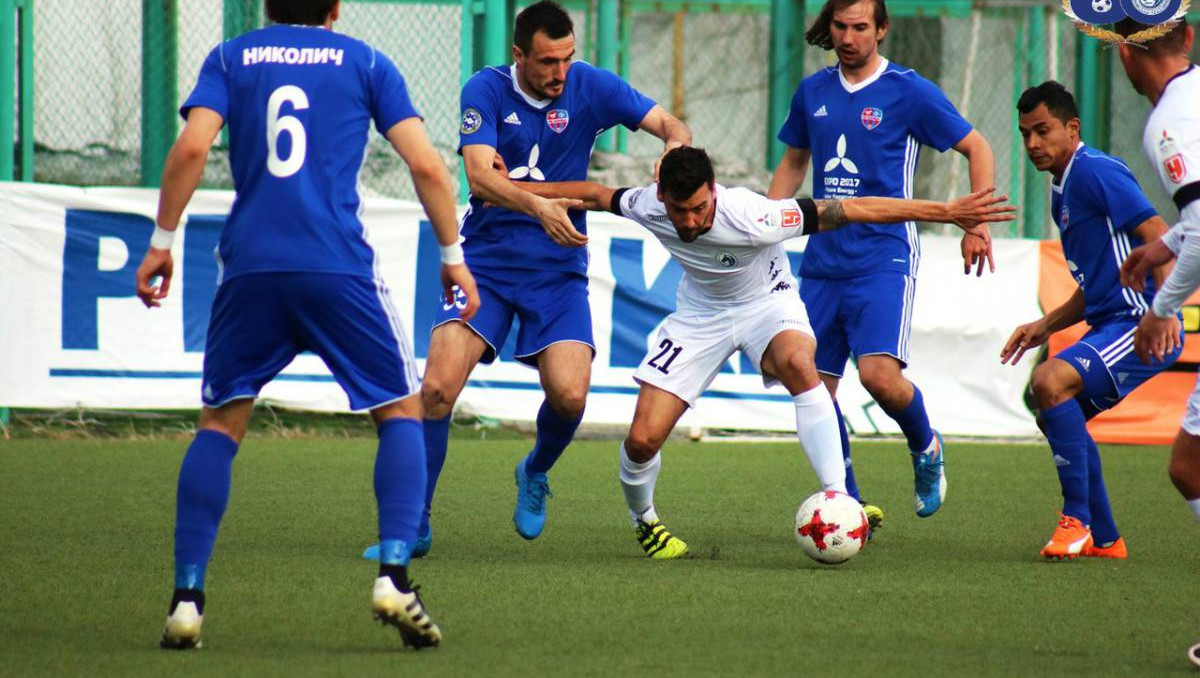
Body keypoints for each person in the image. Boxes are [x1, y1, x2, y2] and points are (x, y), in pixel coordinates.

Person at [136, 0, 478, 650]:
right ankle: (394, 576)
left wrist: (161, 240)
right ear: (336, 6)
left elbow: (190, 148)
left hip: (251, 267)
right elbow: (429, 166)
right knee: (400, 412)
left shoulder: (233, 57)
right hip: (336, 267)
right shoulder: (367, 61)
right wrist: (453, 257)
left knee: (220, 422)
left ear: (266, 4)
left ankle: (187, 599)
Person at [512, 146, 1013, 558]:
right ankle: (643, 521)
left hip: (767, 304)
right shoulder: (647, 203)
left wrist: (946, 213)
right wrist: (511, 193)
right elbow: (593, 193)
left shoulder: (755, 215)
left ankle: (839, 498)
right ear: (661, 196)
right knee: (642, 440)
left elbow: (855, 209)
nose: (689, 220)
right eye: (679, 209)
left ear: (714, 193)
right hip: (698, 317)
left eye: (700, 207)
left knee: (800, 363)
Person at [390, 0, 690, 556]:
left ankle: (534, 470)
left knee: (571, 397)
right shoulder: (484, 89)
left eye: (568, 59)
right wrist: (539, 206)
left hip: (557, 273)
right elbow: (480, 178)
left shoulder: (590, 86)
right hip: (486, 264)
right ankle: (414, 519)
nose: (560, 73)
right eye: (548, 62)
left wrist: (674, 142)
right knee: (434, 390)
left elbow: (671, 122)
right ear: (519, 55)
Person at [766, 0, 997, 528]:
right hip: (822, 261)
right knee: (814, 390)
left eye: (859, 27)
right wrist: (765, 226)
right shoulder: (813, 92)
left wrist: (976, 222)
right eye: (840, 27)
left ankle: (926, 446)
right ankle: (847, 499)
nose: (848, 37)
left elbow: (976, 146)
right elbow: (794, 162)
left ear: (882, 29)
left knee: (879, 377)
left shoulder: (907, 91)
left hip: (883, 257)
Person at [1001, 81, 1177, 560]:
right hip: (1112, 322)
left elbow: (1159, 233)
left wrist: (1161, 313)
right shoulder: (1064, 188)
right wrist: (1046, 324)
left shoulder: (1095, 171)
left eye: (1043, 131)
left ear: (1072, 128)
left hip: (1138, 320)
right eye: (1025, 134)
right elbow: (1095, 281)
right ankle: (1104, 538)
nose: (1033, 143)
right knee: (1056, 412)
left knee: (1050, 380)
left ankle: (1076, 520)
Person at [1114, 19, 1200, 530]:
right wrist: (1164, 245)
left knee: (1189, 469)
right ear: (1188, 39)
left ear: (1126, 54)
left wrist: (1160, 310)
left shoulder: (1167, 124)